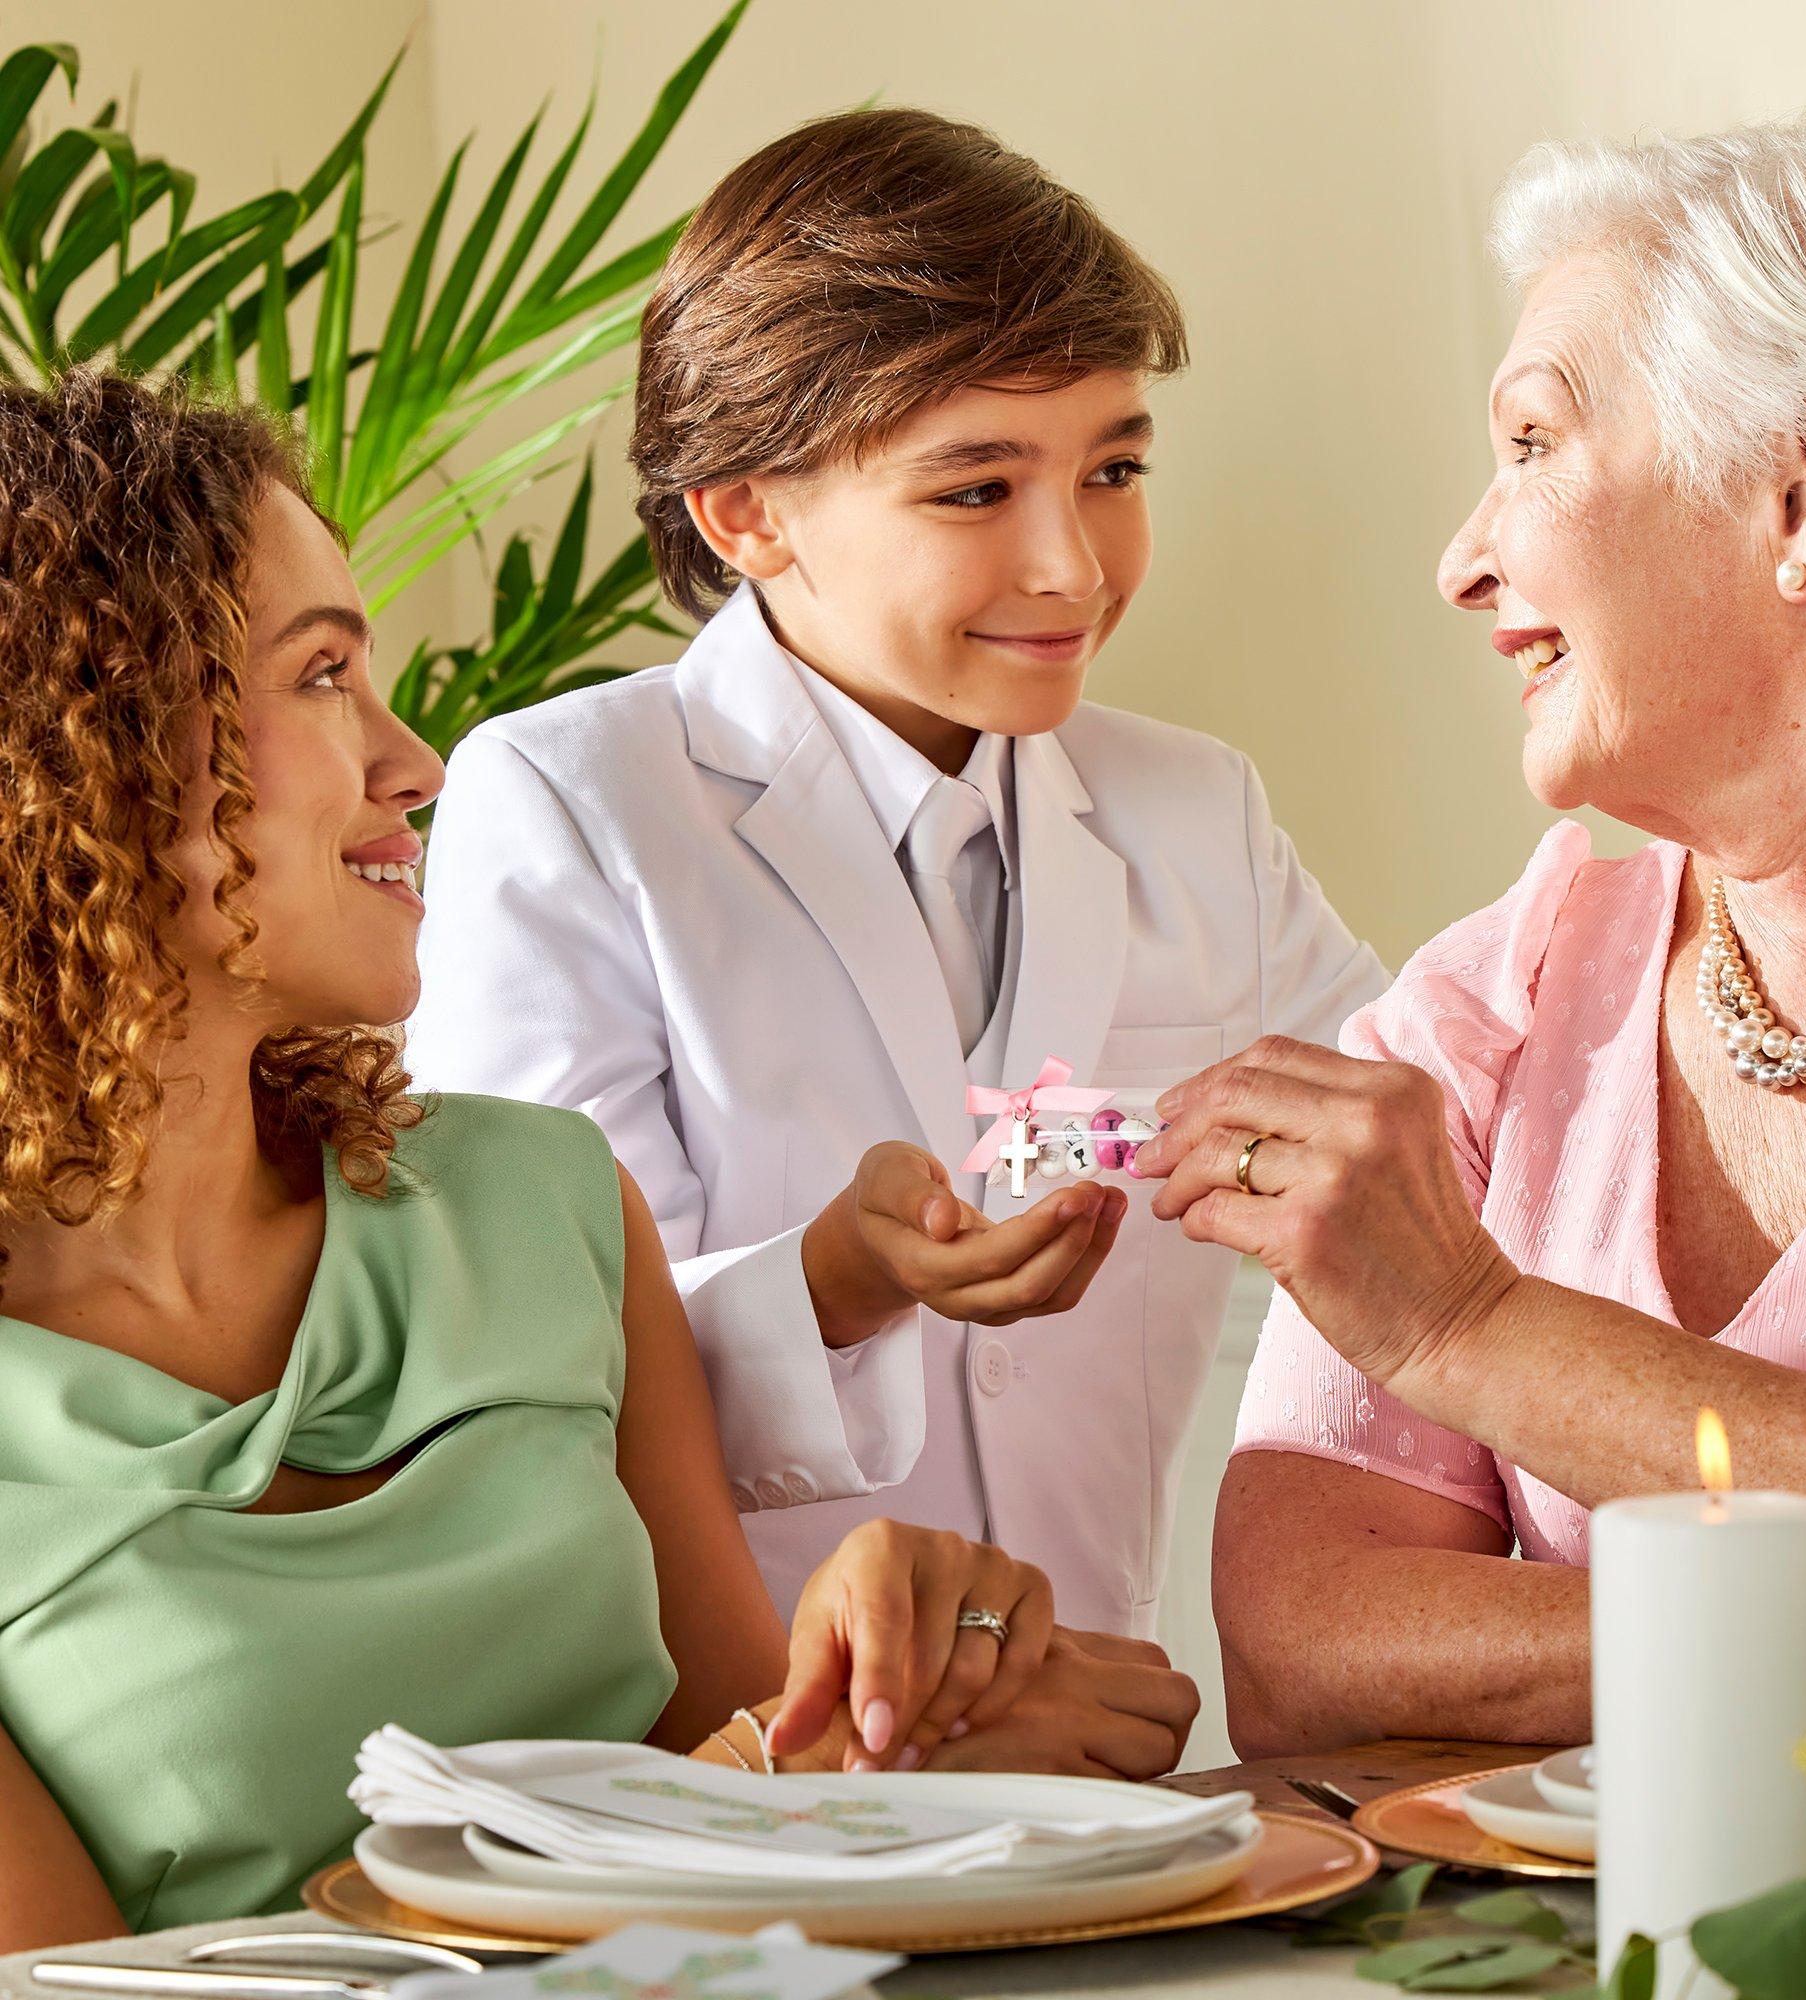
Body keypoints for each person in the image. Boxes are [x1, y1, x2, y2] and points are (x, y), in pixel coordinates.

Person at [0, 372, 1197, 1950]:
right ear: (77, 755)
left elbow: (767, 1834)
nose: (411, 758)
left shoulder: (544, 1204)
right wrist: (758, 1779)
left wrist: (910, 1695)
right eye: (322, 677)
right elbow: (82, 1995)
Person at [403, 107, 1388, 1639]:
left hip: (1112, 1728)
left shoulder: (1197, 810)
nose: (1073, 563)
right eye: (976, 489)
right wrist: (833, 1285)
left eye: (1114, 468)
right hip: (753, 1757)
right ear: (747, 510)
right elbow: (543, 1372)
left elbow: (1432, 1147)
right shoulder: (567, 803)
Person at [1137, 98, 1806, 1755]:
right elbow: (1308, 1646)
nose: (1463, 559)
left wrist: (1476, 1331)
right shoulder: (1492, 1014)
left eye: (1532, 444)